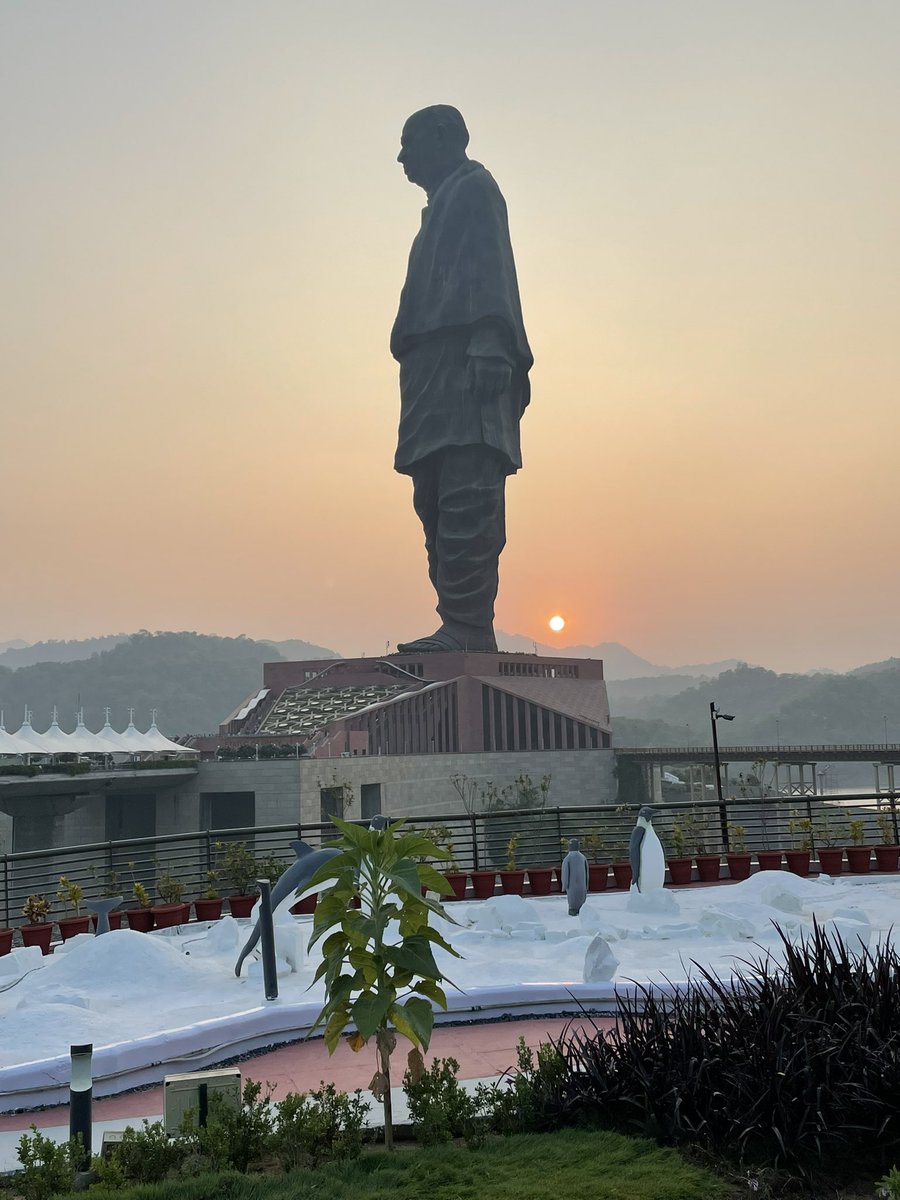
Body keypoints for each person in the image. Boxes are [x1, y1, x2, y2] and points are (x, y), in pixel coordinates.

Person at [391, 105, 533, 654]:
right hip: (430, 370)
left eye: (409, 142)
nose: (401, 157)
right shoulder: (437, 207)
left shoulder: (474, 189)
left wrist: (491, 340)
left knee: (467, 490)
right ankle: (458, 621)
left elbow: (492, 268)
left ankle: (469, 626)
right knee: (432, 494)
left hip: (467, 360)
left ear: (444, 137)